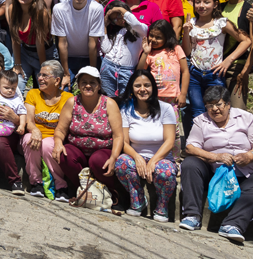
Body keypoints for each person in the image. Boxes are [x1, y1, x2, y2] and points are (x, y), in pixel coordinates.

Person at [179, 85, 253, 243]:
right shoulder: (201, 121)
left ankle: (232, 224)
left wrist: (249, 156)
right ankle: (192, 216)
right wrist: (215, 156)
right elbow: (190, 147)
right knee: (190, 164)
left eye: (218, 104)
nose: (214, 109)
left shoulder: (245, 118)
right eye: (209, 105)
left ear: (228, 104)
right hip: (213, 173)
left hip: (241, 175)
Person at [51, 67, 123, 211]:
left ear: (99, 85)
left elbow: (118, 135)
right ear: (78, 85)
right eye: (83, 82)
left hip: (102, 150)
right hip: (78, 148)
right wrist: (58, 143)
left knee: (97, 161)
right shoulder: (72, 102)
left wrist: (114, 156)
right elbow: (60, 129)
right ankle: (84, 191)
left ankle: (112, 194)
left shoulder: (109, 104)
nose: (88, 85)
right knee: (63, 155)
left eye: (92, 82)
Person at [181, 0, 250, 129]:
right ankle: (199, 145)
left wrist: (228, 60)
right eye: (198, 2)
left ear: (215, 4)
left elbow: (246, 41)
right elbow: (187, 52)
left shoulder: (221, 23)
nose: (201, 6)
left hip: (215, 74)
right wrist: (186, 32)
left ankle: (218, 141)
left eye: (206, 2)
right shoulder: (191, 22)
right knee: (198, 111)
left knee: (218, 110)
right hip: (195, 74)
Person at [114, 70, 178, 221]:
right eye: (137, 86)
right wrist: (136, 157)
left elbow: (170, 141)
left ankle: (162, 207)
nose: (142, 89)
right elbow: (123, 142)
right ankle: (138, 201)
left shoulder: (166, 108)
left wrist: (154, 160)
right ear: (132, 88)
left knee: (166, 171)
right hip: (137, 156)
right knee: (122, 162)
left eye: (146, 85)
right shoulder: (126, 109)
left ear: (153, 87)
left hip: (162, 158)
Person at [22, 60, 73, 200]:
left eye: (45, 75)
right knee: (29, 139)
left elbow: (65, 127)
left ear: (57, 80)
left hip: (55, 137)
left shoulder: (68, 98)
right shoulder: (33, 94)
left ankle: (60, 185)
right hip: (35, 133)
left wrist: (58, 140)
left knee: (48, 145)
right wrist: (34, 130)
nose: (39, 78)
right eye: (40, 74)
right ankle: (36, 182)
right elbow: (29, 120)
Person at [51, 0, 103, 89]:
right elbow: (62, 43)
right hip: (68, 58)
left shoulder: (96, 9)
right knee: (62, 89)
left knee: (92, 90)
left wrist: (92, 73)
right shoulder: (59, 9)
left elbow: (93, 43)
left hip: (91, 57)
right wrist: (66, 74)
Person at [218, 0, 253, 110]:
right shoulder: (218, 8)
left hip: (235, 68)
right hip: (215, 67)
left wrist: (245, 71)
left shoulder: (248, 9)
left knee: (238, 112)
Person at [138, 19, 189, 117]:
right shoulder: (150, 53)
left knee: (173, 126)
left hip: (174, 97)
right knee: (156, 123)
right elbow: (140, 71)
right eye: (151, 36)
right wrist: (145, 53)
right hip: (155, 96)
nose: (153, 39)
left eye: (158, 37)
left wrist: (183, 94)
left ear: (167, 37)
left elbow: (185, 71)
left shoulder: (176, 49)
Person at [8, 0, 52, 90]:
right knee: (15, 87)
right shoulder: (12, 9)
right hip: (25, 53)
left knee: (45, 89)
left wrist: (43, 69)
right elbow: (15, 39)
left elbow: (40, 44)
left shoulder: (40, 13)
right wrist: (17, 65)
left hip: (44, 54)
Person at [100, 0, 148, 97]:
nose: (118, 20)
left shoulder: (140, 30)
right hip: (108, 66)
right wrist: (104, 26)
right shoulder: (115, 32)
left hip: (127, 71)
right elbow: (105, 49)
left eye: (119, 15)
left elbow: (135, 23)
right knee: (108, 98)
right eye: (114, 19)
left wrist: (119, 9)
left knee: (126, 98)